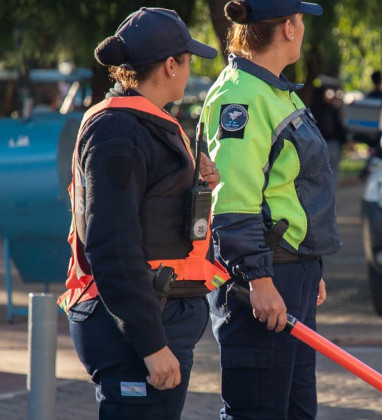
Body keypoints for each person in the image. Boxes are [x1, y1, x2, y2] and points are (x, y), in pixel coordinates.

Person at [57, 7, 224, 420]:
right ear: (170, 66)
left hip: (154, 317)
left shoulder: (143, 123)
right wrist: (150, 343)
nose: (188, 72)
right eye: (187, 62)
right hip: (132, 333)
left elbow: (151, 212)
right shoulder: (118, 132)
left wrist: (196, 188)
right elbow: (112, 245)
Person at [199, 0, 341, 418]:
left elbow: (293, 188)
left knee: (295, 409)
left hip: (289, 273)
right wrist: (259, 279)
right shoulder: (240, 96)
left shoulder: (272, 90)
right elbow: (232, 202)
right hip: (263, 279)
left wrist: (309, 262)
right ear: (288, 29)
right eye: (300, 20)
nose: (302, 28)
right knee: (257, 410)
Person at [310, 83, 347, 185]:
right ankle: (331, 193)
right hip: (333, 144)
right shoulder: (331, 109)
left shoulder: (311, 110)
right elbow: (339, 127)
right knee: (333, 171)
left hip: (317, 145)